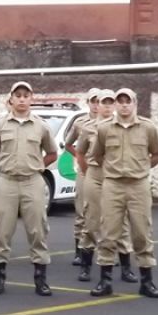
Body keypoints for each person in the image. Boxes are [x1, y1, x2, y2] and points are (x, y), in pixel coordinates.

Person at [0, 81, 58, 296]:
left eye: (26, 95)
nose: (22, 99)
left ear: (31, 98)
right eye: (18, 95)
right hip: (6, 181)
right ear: (11, 99)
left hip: (32, 182)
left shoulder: (41, 126)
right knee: (1, 230)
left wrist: (36, 167)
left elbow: (52, 153)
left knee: (38, 230)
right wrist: (5, 165)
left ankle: (40, 279)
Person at [90, 88, 158, 298]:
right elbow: (97, 155)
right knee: (108, 232)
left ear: (134, 104)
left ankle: (147, 281)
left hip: (138, 185)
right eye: (120, 101)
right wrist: (112, 170)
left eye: (127, 101)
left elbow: (157, 153)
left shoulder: (147, 127)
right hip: (113, 185)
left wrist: (141, 169)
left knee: (142, 232)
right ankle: (105, 281)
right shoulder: (104, 128)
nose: (124, 105)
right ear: (115, 104)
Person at [70, 90, 137, 283]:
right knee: (91, 220)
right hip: (96, 174)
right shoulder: (88, 127)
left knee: (121, 223)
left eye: (110, 102)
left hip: (116, 177)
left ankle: (126, 268)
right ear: (96, 105)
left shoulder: (122, 126)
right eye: (103, 102)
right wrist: (88, 172)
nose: (107, 106)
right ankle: (85, 266)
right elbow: (80, 152)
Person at [64, 88, 100, 266]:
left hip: (105, 173)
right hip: (85, 171)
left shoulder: (112, 122)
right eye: (93, 101)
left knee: (108, 214)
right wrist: (81, 159)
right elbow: (68, 144)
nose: (96, 105)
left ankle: (107, 252)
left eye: (99, 101)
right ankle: (79, 251)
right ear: (88, 103)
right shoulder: (81, 123)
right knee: (81, 211)